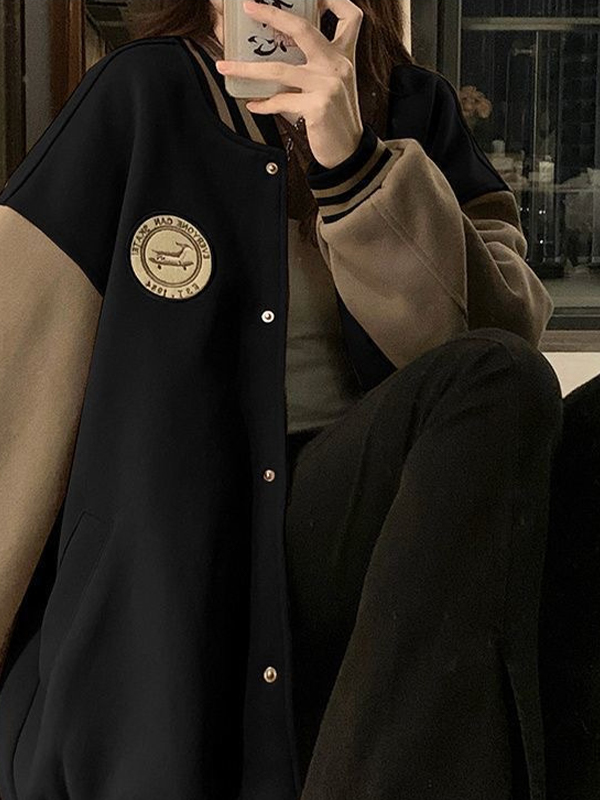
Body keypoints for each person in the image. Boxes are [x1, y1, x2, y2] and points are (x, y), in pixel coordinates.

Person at [0, 0, 585, 798]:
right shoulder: (140, 94)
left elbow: (497, 357)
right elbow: (17, 361)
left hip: (360, 521)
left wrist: (353, 164)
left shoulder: (415, 106)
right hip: (188, 541)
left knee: (529, 393)